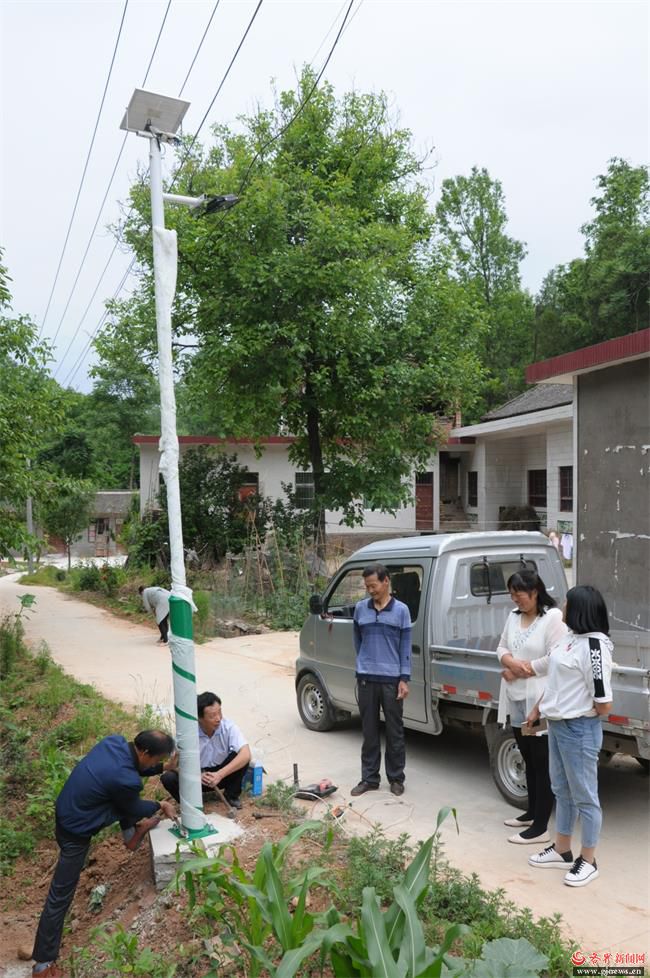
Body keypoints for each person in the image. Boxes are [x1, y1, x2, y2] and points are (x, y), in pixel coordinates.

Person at [31, 730, 177, 978]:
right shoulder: (125, 779)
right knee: (60, 896)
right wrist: (160, 805)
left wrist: (163, 766)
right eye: (154, 760)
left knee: (123, 792)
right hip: (75, 831)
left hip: (69, 808)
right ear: (144, 752)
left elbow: (128, 773)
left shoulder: (115, 743)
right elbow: (134, 804)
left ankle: (133, 834)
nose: (154, 764)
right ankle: (43, 964)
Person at [527, 586, 613, 887]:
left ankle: (588, 860)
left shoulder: (595, 646)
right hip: (558, 725)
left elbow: (603, 703)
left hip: (579, 729)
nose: (562, 605)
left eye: (567, 601)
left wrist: (574, 709)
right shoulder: (568, 639)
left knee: (585, 797)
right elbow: (555, 679)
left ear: (579, 608)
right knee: (561, 789)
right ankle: (562, 848)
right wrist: (540, 707)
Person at [497, 570, 567, 844]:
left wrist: (524, 670)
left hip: (539, 703)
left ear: (535, 591)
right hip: (515, 699)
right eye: (512, 594)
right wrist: (512, 665)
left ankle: (540, 826)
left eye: (519, 594)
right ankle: (530, 813)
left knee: (541, 761)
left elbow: (557, 657)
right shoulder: (513, 617)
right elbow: (501, 648)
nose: (515, 599)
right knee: (527, 757)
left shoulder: (552, 618)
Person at [350, 563, 412, 797]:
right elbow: (358, 640)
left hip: (392, 680)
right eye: (367, 587)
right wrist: (365, 662)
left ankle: (396, 778)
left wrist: (404, 678)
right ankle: (369, 778)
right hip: (366, 678)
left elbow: (405, 647)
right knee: (369, 731)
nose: (370, 590)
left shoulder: (401, 611)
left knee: (395, 732)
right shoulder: (360, 609)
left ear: (386, 581)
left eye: (373, 585)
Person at [161, 692, 251, 809]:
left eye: (220, 712)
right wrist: (196, 775)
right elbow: (174, 764)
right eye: (212, 716)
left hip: (221, 774)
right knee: (168, 778)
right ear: (199, 718)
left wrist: (219, 774)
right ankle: (190, 804)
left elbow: (246, 754)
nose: (218, 719)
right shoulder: (187, 733)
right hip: (195, 776)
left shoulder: (228, 727)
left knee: (240, 758)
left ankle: (231, 795)